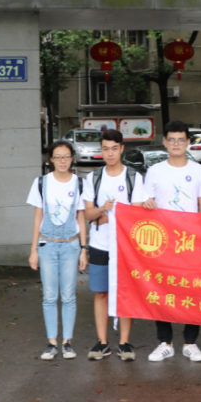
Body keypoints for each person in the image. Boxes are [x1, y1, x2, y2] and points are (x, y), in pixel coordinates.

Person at [142, 120, 201, 362]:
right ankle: (165, 342)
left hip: (191, 241)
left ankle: (190, 343)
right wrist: (146, 204)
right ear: (165, 143)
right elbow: (141, 204)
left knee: (193, 291)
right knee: (162, 289)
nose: (176, 144)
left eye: (181, 139)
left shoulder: (198, 171)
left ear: (188, 143)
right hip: (162, 242)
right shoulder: (154, 171)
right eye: (171, 139)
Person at [83, 129, 146, 361]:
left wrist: (108, 217)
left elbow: (137, 213)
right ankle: (102, 342)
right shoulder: (93, 178)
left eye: (114, 148)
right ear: (101, 151)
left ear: (121, 149)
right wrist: (102, 210)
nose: (110, 153)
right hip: (100, 244)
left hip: (126, 247)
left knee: (125, 292)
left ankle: (125, 343)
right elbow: (88, 213)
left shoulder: (134, 177)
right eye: (105, 148)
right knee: (101, 293)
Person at [26, 140, 88, 360]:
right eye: (58, 157)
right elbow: (37, 218)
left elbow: (81, 216)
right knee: (50, 296)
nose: (63, 161)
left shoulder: (79, 183)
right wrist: (34, 250)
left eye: (67, 156)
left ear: (72, 158)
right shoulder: (41, 183)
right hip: (47, 244)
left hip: (71, 244)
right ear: (51, 159)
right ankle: (52, 343)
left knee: (69, 295)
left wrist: (83, 248)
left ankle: (67, 342)